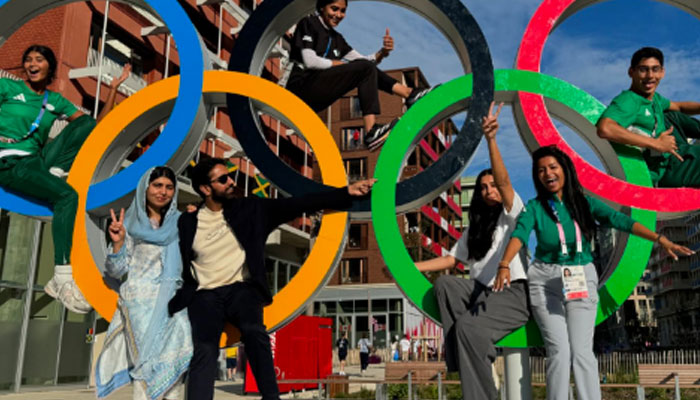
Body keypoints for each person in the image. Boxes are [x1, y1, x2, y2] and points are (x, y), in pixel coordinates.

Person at [166, 157, 376, 400]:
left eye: (229, 175)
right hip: (204, 294)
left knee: (255, 332)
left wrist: (345, 192)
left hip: (241, 289)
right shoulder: (187, 222)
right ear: (205, 189)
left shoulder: (251, 210)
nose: (231, 182)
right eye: (223, 179)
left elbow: (299, 204)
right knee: (204, 348)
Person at [498, 145, 693, 400]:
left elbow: (621, 220)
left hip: (580, 276)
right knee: (559, 351)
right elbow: (520, 234)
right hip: (545, 282)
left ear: (564, 170)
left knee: (581, 352)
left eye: (553, 167)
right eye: (541, 170)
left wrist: (660, 239)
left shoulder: (584, 203)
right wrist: (505, 263)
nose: (548, 173)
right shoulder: (535, 207)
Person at [0, 44, 130, 314]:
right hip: (9, 161)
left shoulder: (53, 100)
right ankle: (61, 277)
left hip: (36, 161)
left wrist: (114, 89)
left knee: (84, 124)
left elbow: (94, 129)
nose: (32, 64)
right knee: (68, 196)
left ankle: (54, 173)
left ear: (49, 66)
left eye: (39, 59)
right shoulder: (8, 88)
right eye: (28, 60)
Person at [414, 102, 530, 400]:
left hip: (514, 293)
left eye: (492, 186)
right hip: (481, 292)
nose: (488, 190)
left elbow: (505, 183)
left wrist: (491, 139)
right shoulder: (475, 228)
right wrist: (416, 268)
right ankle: (463, 355)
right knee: (446, 284)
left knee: (467, 328)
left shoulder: (513, 213)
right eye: (482, 187)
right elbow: (451, 260)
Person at [95, 166, 193, 400]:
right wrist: (117, 243)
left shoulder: (181, 222)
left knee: (177, 360)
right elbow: (116, 270)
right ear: (145, 188)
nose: (163, 192)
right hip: (140, 304)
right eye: (157, 185)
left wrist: (196, 222)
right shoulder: (128, 223)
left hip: (174, 302)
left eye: (169, 187)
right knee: (144, 369)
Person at [286, 0, 434, 150]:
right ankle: (371, 131)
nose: (338, 15)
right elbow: (310, 61)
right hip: (299, 89)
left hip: (316, 97)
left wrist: (383, 52)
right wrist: (339, 64)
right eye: (334, 9)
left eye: (343, 11)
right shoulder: (309, 22)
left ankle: (409, 94)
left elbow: (364, 61)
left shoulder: (337, 39)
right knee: (364, 68)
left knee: (365, 68)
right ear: (322, 7)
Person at [597, 46, 700, 187]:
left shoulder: (654, 98)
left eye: (655, 69)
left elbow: (680, 107)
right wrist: (656, 143)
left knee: (672, 115)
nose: (650, 76)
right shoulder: (629, 100)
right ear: (631, 72)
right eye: (643, 69)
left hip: (670, 152)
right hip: (663, 169)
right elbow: (605, 128)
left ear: (662, 72)